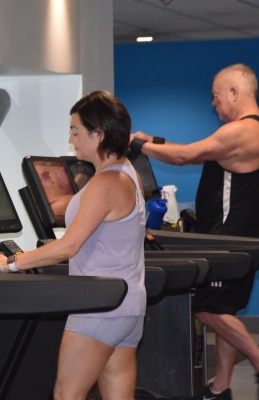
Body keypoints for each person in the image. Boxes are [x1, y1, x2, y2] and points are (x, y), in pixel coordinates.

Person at [0, 90, 147, 400]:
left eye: (75, 131)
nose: (71, 139)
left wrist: (10, 263)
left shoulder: (104, 183)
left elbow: (67, 247)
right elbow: (97, 216)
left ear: (98, 135)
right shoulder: (126, 175)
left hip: (100, 307)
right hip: (128, 307)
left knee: (66, 394)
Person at [130, 63, 259, 400]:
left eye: (217, 96)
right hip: (240, 240)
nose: (214, 104)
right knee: (224, 310)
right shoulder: (245, 133)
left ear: (234, 92)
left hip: (227, 241)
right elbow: (189, 149)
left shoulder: (241, 132)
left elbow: (186, 155)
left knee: (206, 308)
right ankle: (221, 387)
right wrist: (152, 141)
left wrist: (138, 146)